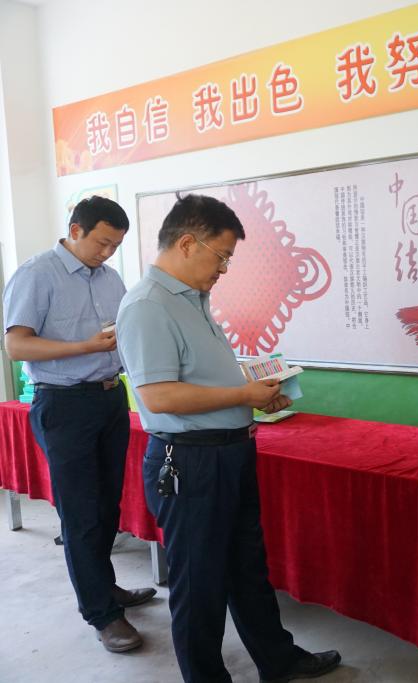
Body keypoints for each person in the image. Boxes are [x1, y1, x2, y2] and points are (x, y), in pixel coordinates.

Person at [116, 194, 340, 683]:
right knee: (200, 585)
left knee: (247, 569)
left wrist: (253, 397)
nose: (223, 269)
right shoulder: (148, 306)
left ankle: (278, 661)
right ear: (187, 243)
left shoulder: (193, 300)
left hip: (230, 452)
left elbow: (201, 378)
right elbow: (159, 396)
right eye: (221, 256)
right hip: (190, 463)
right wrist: (242, 394)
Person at [2, 196, 155, 653]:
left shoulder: (110, 279)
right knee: (81, 514)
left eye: (116, 246)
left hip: (110, 399)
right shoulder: (37, 274)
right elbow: (17, 347)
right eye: (102, 242)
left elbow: (123, 336)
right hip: (64, 405)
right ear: (75, 230)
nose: (107, 253)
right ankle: (102, 614)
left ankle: (105, 587)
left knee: (108, 506)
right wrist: (86, 347)